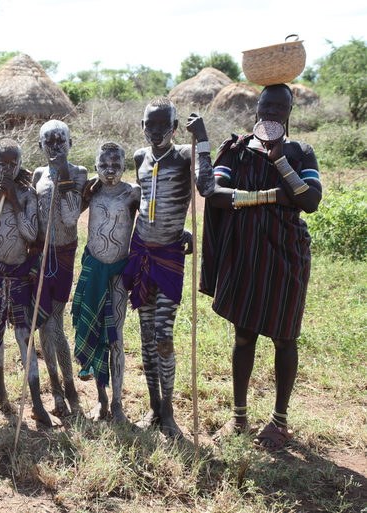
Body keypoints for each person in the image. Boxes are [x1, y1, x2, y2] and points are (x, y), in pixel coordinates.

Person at [200, 83, 322, 450]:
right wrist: (270, 197)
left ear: (289, 112)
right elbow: (215, 195)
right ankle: (239, 417)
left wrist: (279, 159)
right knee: (244, 334)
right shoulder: (236, 150)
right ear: (256, 108)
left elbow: (310, 201)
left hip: (287, 256)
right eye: (266, 105)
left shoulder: (301, 152)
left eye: (280, 107)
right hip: (245, 253)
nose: (272, 112)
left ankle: (279, 422)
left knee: (285, 338)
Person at [121, 97, 214, 437]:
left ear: (175, 128)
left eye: (164, 125)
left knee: (163, 335)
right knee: (146, 337)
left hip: (171, 256)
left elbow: (206, 186)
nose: (157, 131)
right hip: (141, 252)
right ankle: (153, 407)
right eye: (151, 124)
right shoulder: (139, 158)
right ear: (142, 126)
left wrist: (202, 138)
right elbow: (147, 200)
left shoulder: (186, 155)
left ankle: (170, 411)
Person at [0, 139, 57, 426]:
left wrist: (13, 201)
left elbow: (31, 233)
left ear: (21, 163)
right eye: (2, 163)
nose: (7, 168)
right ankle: (0, 393)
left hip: (20, 276)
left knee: (25, 338)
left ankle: (35, 402)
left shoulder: (27, 195)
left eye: (13, 163)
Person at [74, 142, 140, 422]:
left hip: (117, 276)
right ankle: (101, 401)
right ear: (96, 164)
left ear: (124, 166)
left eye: (115, 164)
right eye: (104, 164)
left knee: (114, 339)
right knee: (93, 332)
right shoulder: (91, 192)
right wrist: (81, 199)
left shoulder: (132, 194)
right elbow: (70, 217)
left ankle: (117, 404)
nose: (109, 170)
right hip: (92, 271)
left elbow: (150, 220)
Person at [31, 120, 87, 417]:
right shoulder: (38, 174)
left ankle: (68, 387)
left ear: (70, 142)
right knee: (44, 323)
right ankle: (56, 389)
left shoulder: (78, 173)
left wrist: (63, 175)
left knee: (54, 322)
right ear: (40, 146)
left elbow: (69, 218)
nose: (55, 147)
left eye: (60, 141)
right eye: (48, 143)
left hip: (63, 256)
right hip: (40, 255)